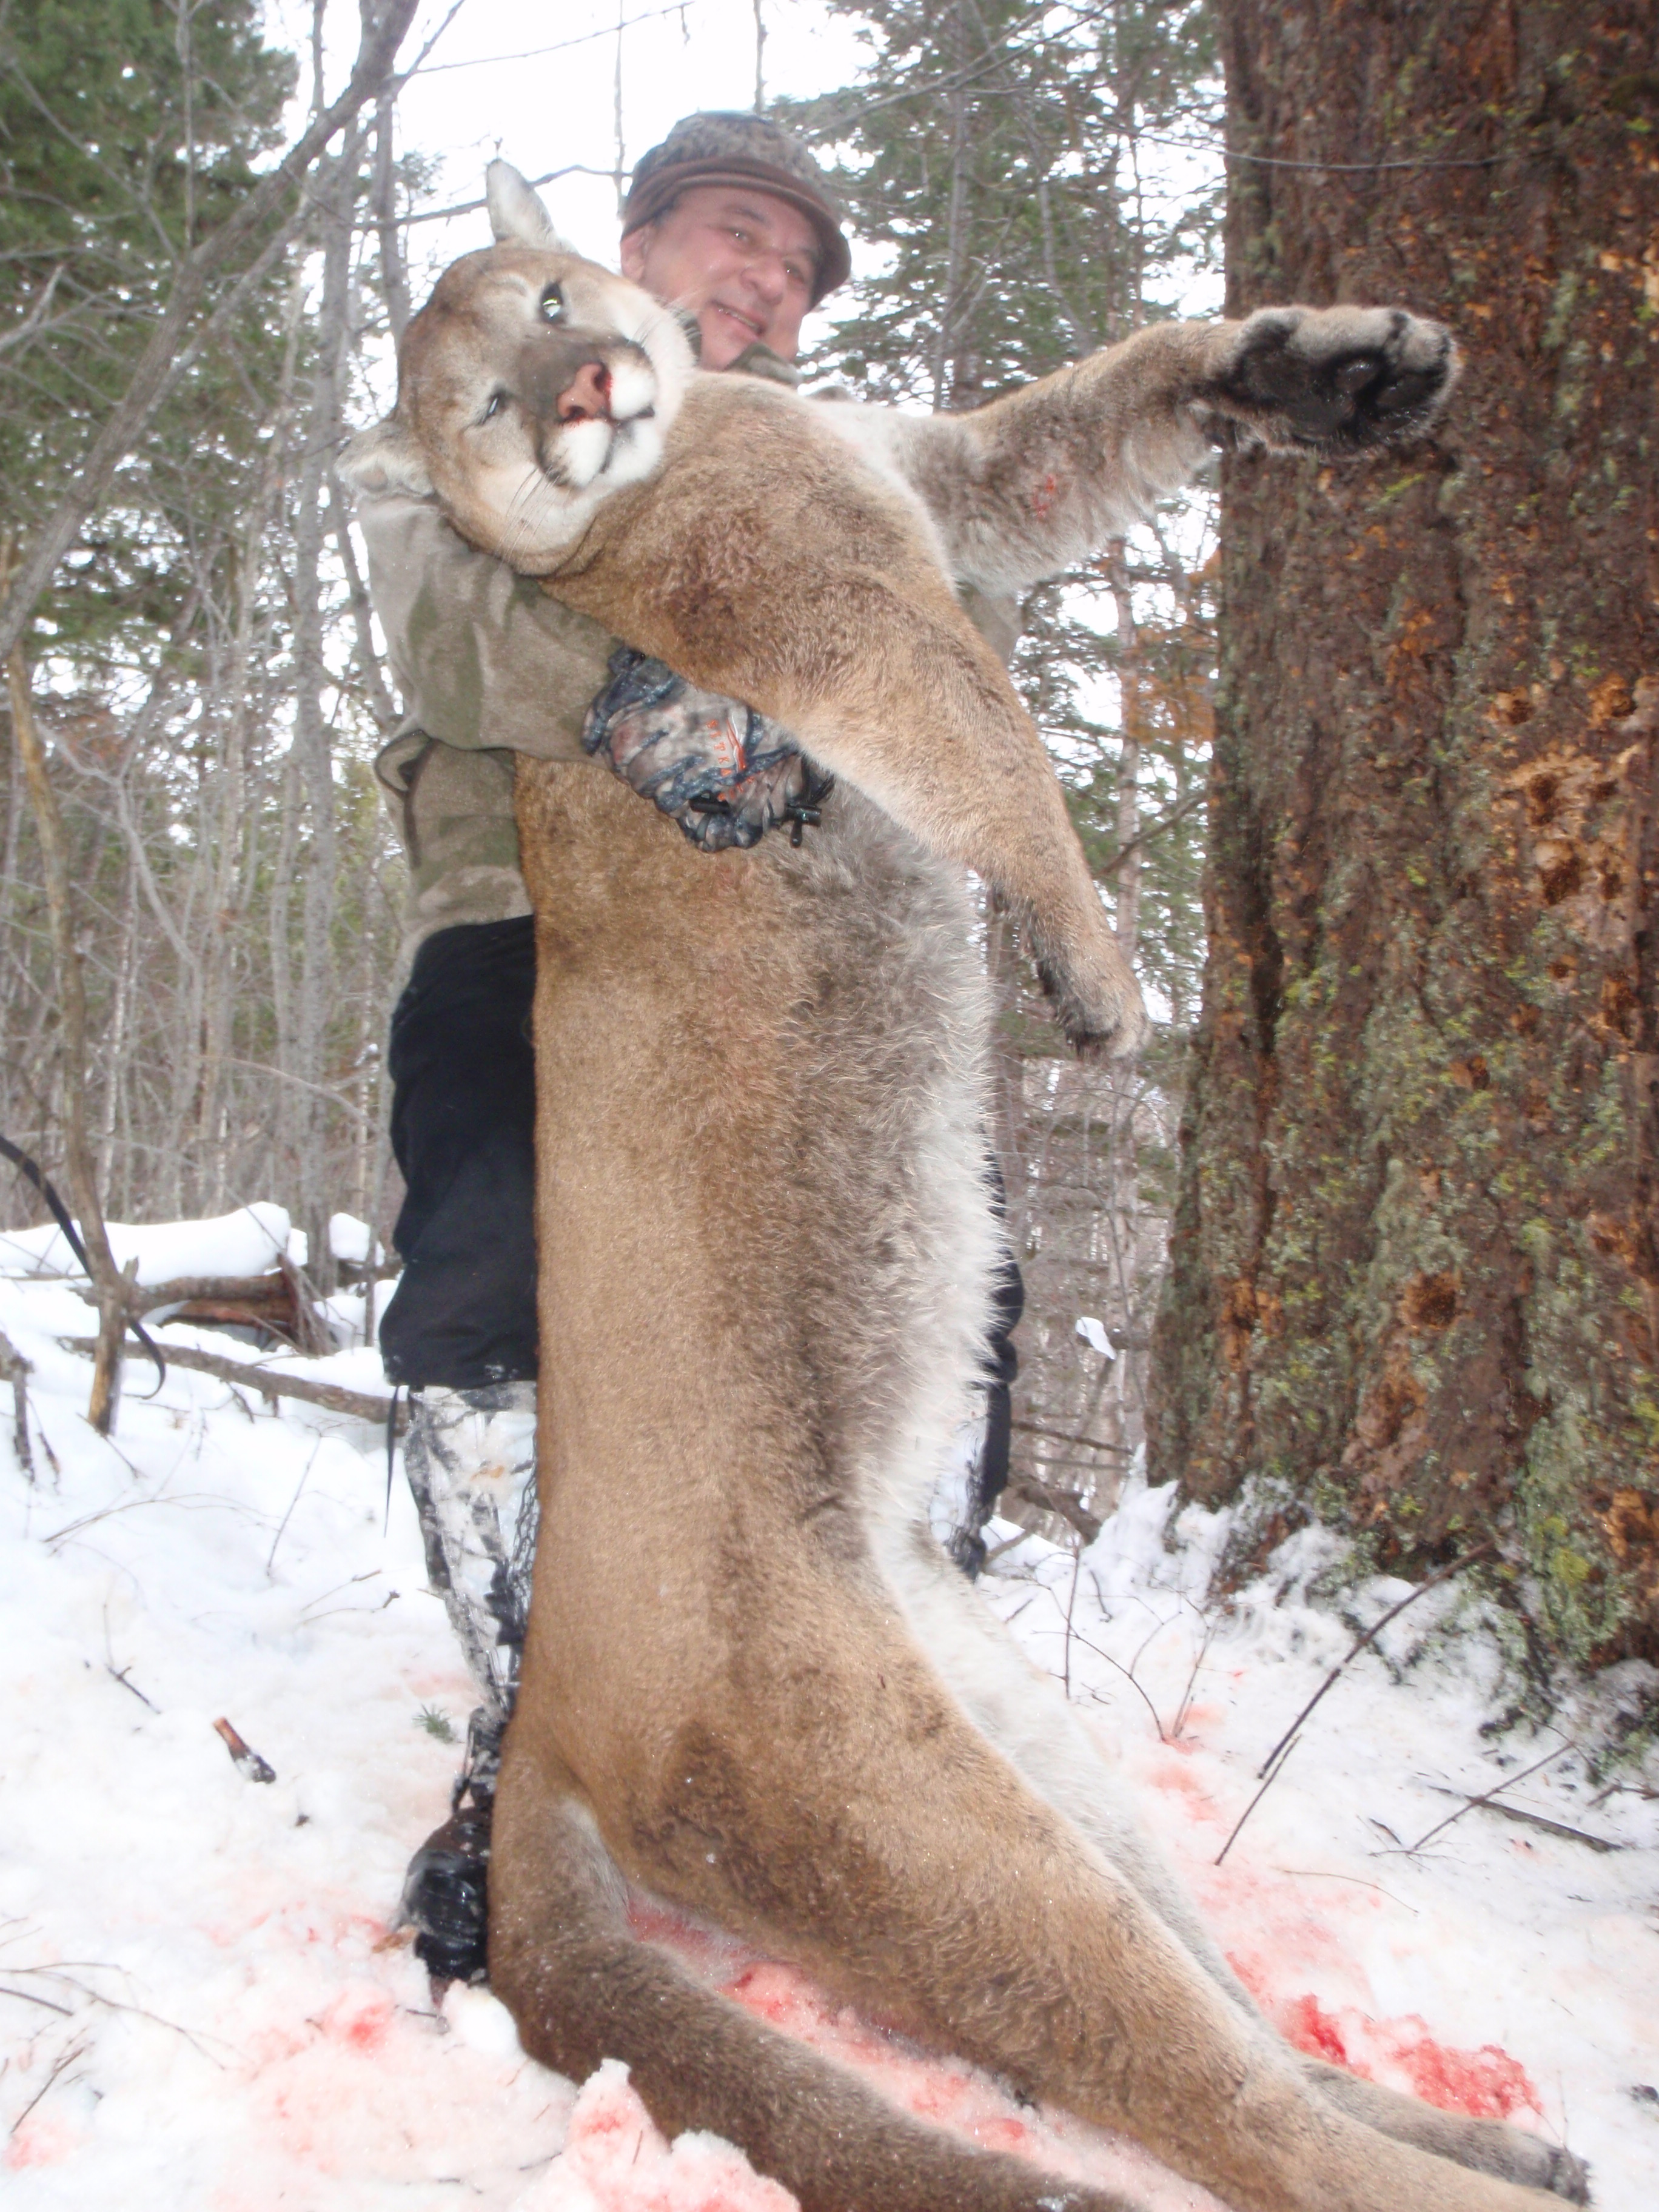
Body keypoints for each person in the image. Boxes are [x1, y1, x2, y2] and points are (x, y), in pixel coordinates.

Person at [355, 113, 1024, 1982]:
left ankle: (896, 1715)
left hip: (793, 974)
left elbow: (932, 671)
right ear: (642, 236)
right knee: (492, 1275)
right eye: (743, 236)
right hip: (530, 929)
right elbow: (428, 604)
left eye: (803, 270)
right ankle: (536, 1735)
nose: (773, 282)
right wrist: (636, 707)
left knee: (943, 1289)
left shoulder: (831, 465)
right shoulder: (489, 376)